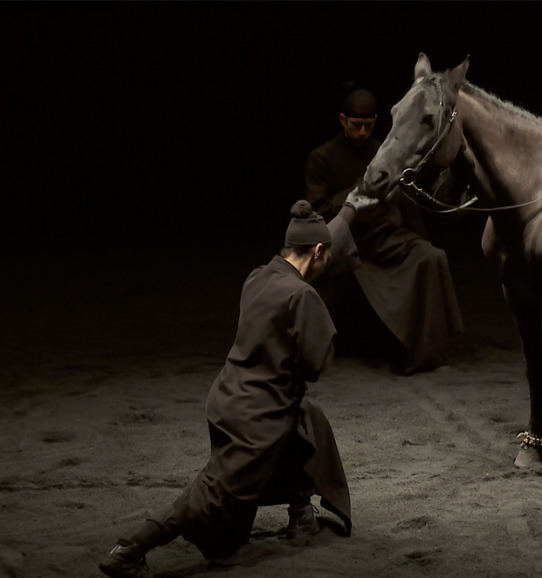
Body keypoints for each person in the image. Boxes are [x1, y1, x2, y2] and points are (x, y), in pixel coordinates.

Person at [98, 199, 366, 578]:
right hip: (257, 414)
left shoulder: (258, 276)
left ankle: (300, 513)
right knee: (212, 493)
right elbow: (316, 364)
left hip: (227, 397)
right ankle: (130, 548)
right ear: (319, 251)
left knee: (308, 423)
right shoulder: (303, 296)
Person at [304, 84, 465, 375]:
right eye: (355, 125)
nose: (362, 132)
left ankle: (429, 354)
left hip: (388, 238)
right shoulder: (322, 157)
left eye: (368, 125)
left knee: (430, 257)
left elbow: (406, 202)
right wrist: (359, 188)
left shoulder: (384, 151)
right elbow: (317, 212)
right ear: (343, 121)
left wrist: (419, 237)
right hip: (351, 242)